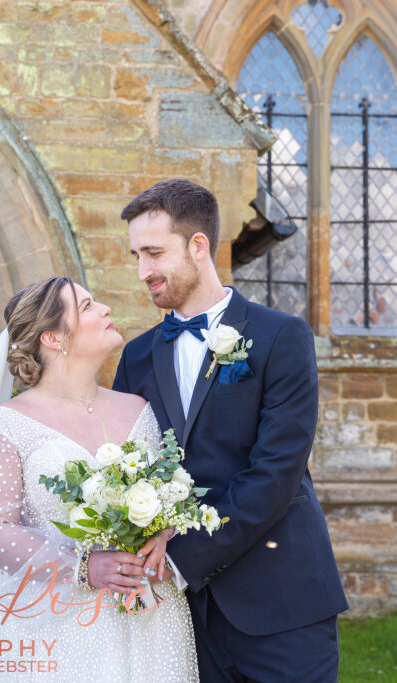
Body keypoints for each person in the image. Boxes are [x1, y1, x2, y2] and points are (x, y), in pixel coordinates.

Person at [113, 179, 349, 682]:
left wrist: (178, 557)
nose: (142, 272)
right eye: (136, 255)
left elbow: (276, 474)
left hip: (281, 601)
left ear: (199, 246)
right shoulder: (135, 357)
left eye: (153, 253)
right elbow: (124, 465)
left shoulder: (280, 337)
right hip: (181, 616)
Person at [0, 277, 199, 682]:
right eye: (88, 305)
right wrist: (83, 565)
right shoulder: (6, 424)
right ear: (54, 338)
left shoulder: (140, 410)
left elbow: (173, 494)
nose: (105, 309)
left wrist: (161, 535)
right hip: (52, 626)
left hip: (150, 619)